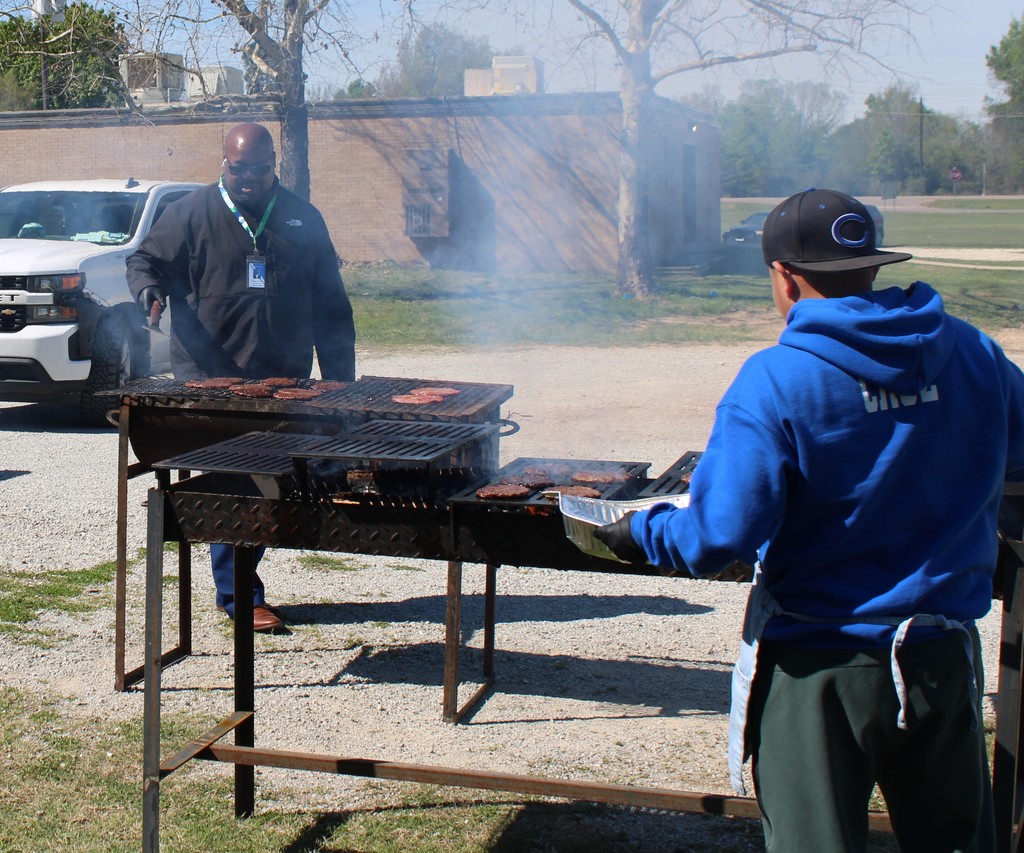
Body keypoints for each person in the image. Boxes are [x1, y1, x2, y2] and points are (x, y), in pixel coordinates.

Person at [595, 188, 1024, 851]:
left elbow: (718, 536)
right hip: (940, 658)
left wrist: (638, 530)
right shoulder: (974, 352)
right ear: (872, 265)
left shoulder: (777, 379)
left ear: (784, 277)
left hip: (820, 669)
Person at [127, 122, 356, 633]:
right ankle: (239, 596)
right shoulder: (188, 212)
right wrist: (149, 293)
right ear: (223, 164)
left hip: (283, 376)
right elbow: (143, 259)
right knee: (234, 485)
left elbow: (331, 305)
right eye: (239, 168)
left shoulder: (301, 217)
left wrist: (340, 379)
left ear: (274, 163)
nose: (249, 177)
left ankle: (239, 586)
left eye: (260, 168)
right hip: (211, 375)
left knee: (274, 485)